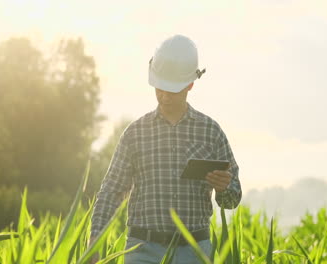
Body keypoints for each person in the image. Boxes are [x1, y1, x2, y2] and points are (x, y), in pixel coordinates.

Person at [89, 34, 242, 264]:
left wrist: (224, 188)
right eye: (160, 88)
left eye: (172, 90)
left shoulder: (211, 132)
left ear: (190, 84)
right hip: (142, 251)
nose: (164, 95)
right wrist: (95, 239)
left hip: (194, 251)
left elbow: (232, 199)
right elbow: (111, 191)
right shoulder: (135, 133)